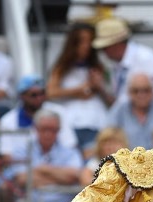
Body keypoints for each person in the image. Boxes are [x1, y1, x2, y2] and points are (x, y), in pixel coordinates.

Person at [3, 109, 83, 202]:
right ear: (35, 128)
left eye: (53, 130)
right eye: (44, 129)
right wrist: (60, 178)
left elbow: (73, 176)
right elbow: (23, 179)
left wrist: (42, 169)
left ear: (59, 130)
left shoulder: (70, 152)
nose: (48, 134)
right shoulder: (22, 150)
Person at [45, 22, 112, 154]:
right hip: (71, 122)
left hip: (94, 121)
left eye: (89, 42)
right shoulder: (62, 67)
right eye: (82, 42)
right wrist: (77, 91)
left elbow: (110, 97)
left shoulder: (99, 66)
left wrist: (98, 86)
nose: (86, 46)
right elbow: (50, 92)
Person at [91, 16, 153, 106]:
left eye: (104, 47)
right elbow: (119, 104)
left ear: (116, 43)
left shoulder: (145, 58)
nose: (103, 52)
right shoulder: (115, 64)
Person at [0, 74, 77, 160]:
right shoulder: (8, 121)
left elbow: (70, 146)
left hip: (59, 166)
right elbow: (7, 155)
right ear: (22, 96)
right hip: (22, 169)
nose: (39, 98)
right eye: (34, 95)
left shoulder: (59, 112)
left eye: (42, 93)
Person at [106, 73, 153, 150]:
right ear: (129, 92)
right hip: (128, 159)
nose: (141, 95)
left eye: (146, 90)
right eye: (136, 91)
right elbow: (107, 135)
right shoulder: (120, 109)